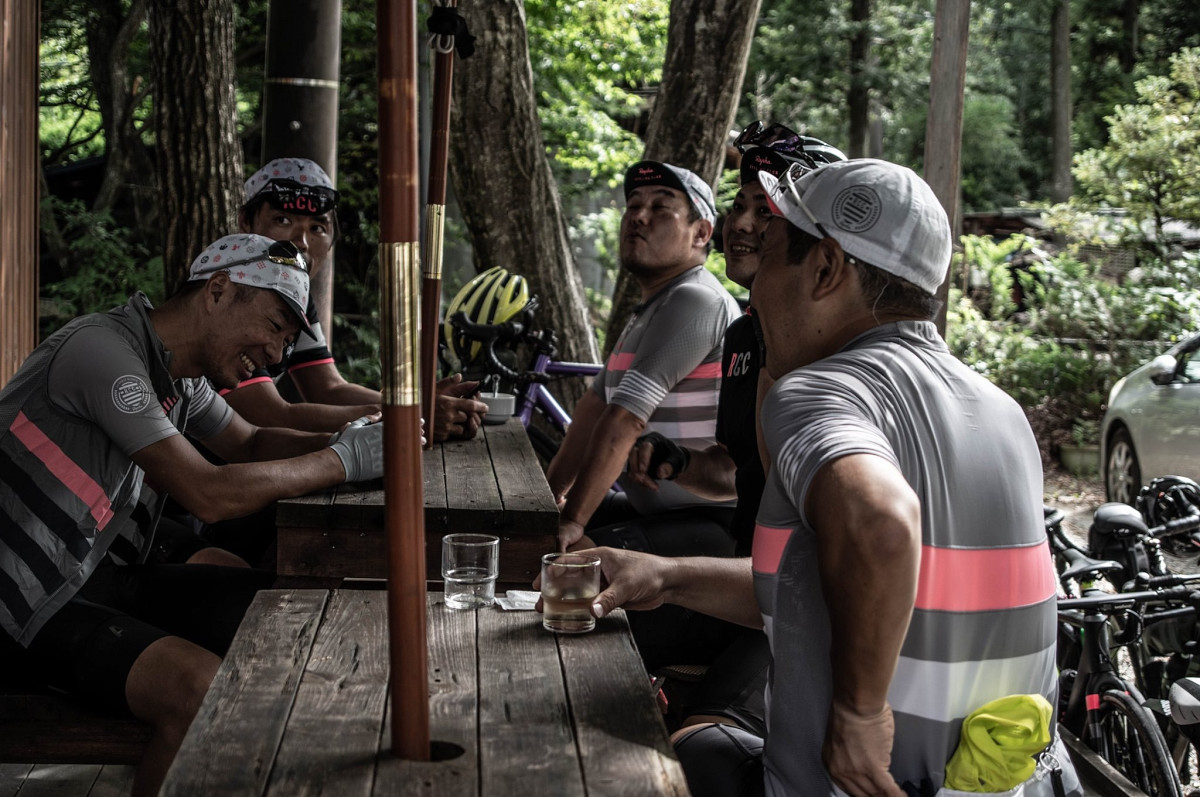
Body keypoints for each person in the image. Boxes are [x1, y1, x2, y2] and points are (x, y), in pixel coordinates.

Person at [569, 159, 1081, 796]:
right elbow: (823, 589)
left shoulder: (818, 391)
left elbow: (880, 522)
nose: (753, 290)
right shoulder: (1001, 409)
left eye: (773, 251)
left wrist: (858, 715)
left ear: (827, 268)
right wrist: (667, 576)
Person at [0, 233, 385, 796]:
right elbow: (208, 491)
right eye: (276, 326)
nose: (277, 355)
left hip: (95, 576)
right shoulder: (103, 352)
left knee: (291, 620)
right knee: (198, 690)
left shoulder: (180, 378)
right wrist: (341, 460)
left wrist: (354, 439)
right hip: (23, 600)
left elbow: (249, 444)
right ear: (220, 291)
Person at [626, 130, 846, 733]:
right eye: (739, 205)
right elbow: (737, 472)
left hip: (802, 607)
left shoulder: (836, 351)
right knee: (583, 626)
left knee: (701, 745)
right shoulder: (745, 334)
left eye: (763, 209)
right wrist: (679, 461)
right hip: (743, 580)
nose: (741, 223)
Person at [545, 160, 740, 562]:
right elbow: (592, 413)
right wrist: (548, 501)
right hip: (654, 513)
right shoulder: (652, 307)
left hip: (710, 523)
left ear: (701, 232)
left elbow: (625, 419)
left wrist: (573, 521)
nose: (639, 216)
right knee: (523, 537)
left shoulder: (697, 299)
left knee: (562, 564)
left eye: (660, 207)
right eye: (633, 205)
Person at [234, 157, 488, 440]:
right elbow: (270, 415)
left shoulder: (294, 295)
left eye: (317, 228)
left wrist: (417, 405)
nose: (302, 242)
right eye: (283, 220)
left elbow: (327, 388)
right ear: (245, 222)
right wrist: (412, 415)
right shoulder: (235, 292)